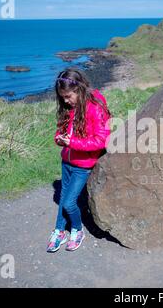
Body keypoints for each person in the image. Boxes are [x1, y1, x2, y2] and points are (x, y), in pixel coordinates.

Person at [47, 68, 111, 253]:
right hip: (67, 161)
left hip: (83, 165)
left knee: (68, 202)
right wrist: (59, 138)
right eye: (63, 97)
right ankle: (59, 230)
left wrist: (72, 142)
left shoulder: (96, 107)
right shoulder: (69, 107)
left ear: (79, 89)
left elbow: (101, 140)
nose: (66, 101)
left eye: (68, 96)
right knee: (63, 198)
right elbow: (62, 130)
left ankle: (77, 230)